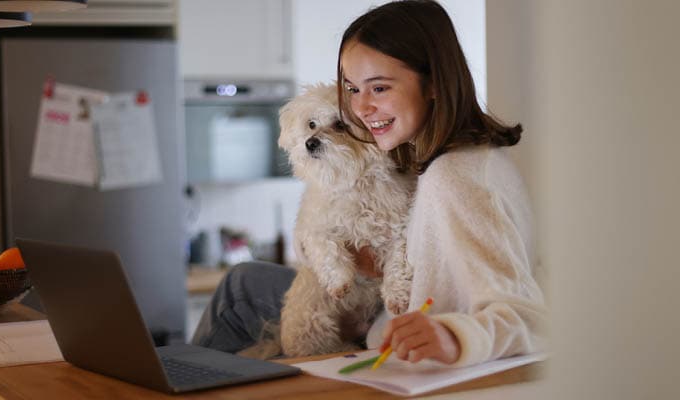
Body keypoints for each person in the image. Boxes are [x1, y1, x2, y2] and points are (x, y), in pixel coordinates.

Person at [193, 0, 546, 367]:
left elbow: (525, 314)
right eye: (352, 88)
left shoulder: (454, 177)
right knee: (245, 280)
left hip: (387, 339)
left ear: (434, 85)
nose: (359, 109)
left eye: (379, 89)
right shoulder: (434, 153)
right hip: (373, 310)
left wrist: (456, 337)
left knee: (240, 293)